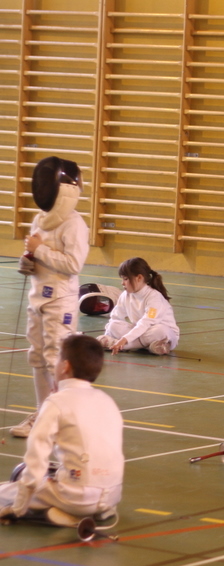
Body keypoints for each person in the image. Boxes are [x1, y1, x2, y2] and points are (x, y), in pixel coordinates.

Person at [0, 334, 124, 527]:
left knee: (6, 492)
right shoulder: (108, 400)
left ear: (65, 366)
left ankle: (57, 511)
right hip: (111, 498)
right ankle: (81, 512)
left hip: (75, 497)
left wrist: (18, 508)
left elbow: (36, 460)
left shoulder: (56, 402)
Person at [11, 157, 90, 438]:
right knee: (36, 357)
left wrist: (40, 251)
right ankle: (43, 413)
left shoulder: (75, 224)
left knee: (56, 359)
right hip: (37, 299)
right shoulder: (40, 219)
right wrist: (27, 262)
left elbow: (73, 264)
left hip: (60, 301)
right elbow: (36, 256)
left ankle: (60, 417)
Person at [99, 257, 180, 356]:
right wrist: (107, 335)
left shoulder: (154, 297)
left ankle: (125, 346)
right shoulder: (125, 295)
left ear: (139, 278)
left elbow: (146, 323)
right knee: (113, 325)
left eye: (126, 279)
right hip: (142, 334)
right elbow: (115, 317)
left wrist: (123, 340)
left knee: (160, 330)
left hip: (162, 334)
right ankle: (152, 346)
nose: (122, 283)